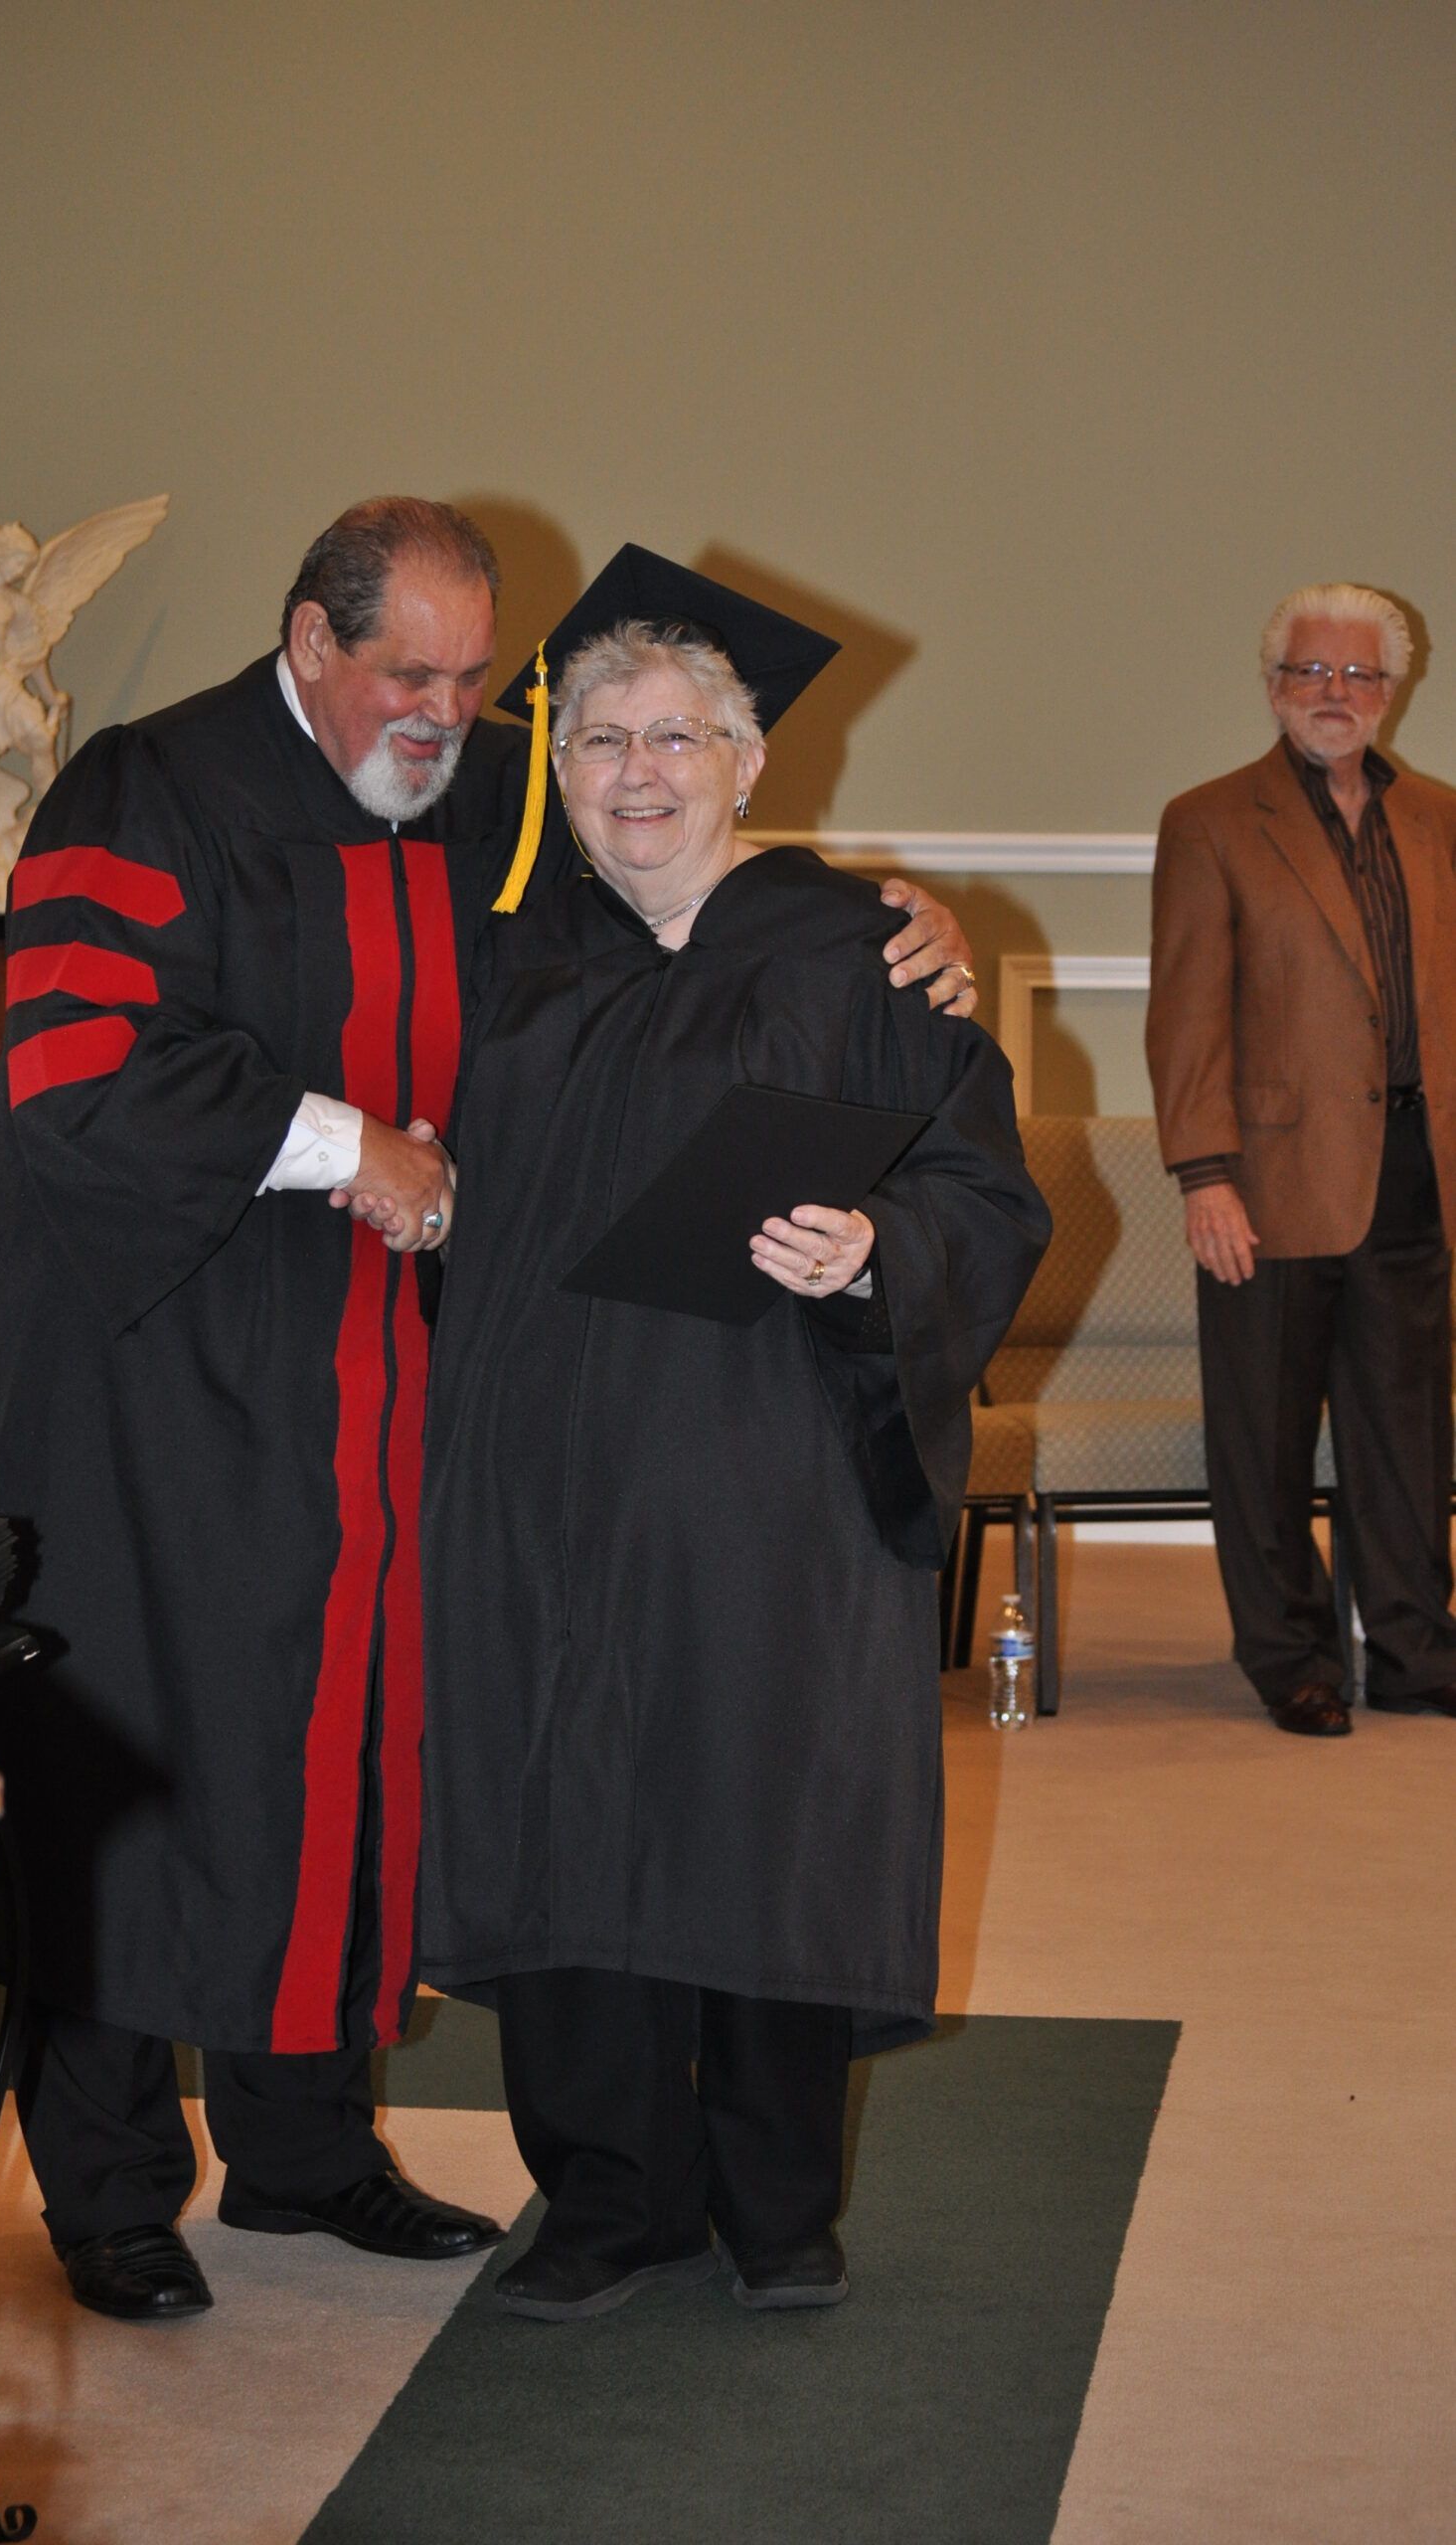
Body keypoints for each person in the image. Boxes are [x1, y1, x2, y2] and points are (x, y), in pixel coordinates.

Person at [0, 500, 981, 2324]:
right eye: (406, 674)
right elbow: (78, 1070)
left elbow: (684, 914)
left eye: (476, 678)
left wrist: (902, 923)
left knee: (336, 1747)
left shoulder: (481, 792)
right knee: (138, 1756)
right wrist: (359, 1149)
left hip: (390, 1381)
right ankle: (105, 2186)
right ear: (308, 640)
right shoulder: (143, 789)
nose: (445, 712)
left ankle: (305, 2152)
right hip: (156, 1379)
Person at [418, 557, 1049, 2321]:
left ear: (749, 760)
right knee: (564, 1806)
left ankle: (780, 2199)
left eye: (676, 737)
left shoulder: (860, 952)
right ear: (560, 768)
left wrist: (876, 1254)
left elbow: (982, 1188)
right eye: (601, 738)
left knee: (769, 1810)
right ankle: (608, 2197)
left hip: (768, 1466)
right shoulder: (509, 968)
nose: (636, 770)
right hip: (535, 1475)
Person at [1146, 583, 1456, 1738]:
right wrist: (1202, 1173)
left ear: (1391, 690)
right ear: (1273, 686)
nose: (1335, 694)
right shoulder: (1212, 819)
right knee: (1263, 1436)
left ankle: (1416, 1649)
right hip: (1266, 1182)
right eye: (1311, 673)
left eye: (1358, 675)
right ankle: (1289, 1659)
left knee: (1407, 1430)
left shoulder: (1437, 819)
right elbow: (1184, 1014)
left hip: (1414, 1174)